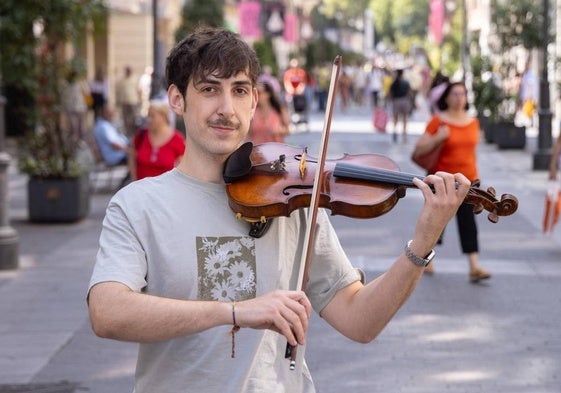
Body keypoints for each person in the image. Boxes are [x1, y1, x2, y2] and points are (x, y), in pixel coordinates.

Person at [87, 27, 471, 393]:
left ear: (254, 101)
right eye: (209, 90)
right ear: (176, 98)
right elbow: (107, 312)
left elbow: (360, 322)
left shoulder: (296, 202)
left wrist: (422, 243)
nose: (227, 108)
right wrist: (235, 311)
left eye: (239, 91)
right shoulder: (138, 204)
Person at [413, 81, 491, 283]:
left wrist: (477, 178)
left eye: (462, 94)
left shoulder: (473, 122)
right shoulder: (438, 122)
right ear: (446, 98)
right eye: (455, 94)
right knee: (437, 221)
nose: (459, 97)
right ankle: (426, 259)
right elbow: (419, 149)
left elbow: (472, 154)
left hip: (468, 181)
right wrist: (438, 138)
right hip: (443, 180)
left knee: (468, 223)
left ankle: (474, 266)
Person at [129, 98, 185, 180]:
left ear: (163, 117)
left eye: (152, 116)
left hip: (166, 189)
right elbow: (132, 160)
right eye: (148, 115)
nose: (149, 119)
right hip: (142, 189)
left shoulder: (177, 138)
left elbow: (182, 167)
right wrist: (134, 181)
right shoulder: (141, 135)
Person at [62, 69, 89, 144]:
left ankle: (81, 140)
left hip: (81, 107)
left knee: (81, 125)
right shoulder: (66, 85)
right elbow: (64, 96)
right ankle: (74, 140)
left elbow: (87, 95)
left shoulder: (82, 84)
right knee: (73, 125)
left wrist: (88, 105)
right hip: (71, 108)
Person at [116, 65, 141, 137]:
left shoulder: (135, 78)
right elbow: (118, 90)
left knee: (133, 118)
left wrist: (139, 100)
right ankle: (127, 132)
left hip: (133, 101)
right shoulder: (121, 79)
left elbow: (139, 90)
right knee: (125, 118)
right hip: (124, 102)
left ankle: (134, 132)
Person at [389, 68, 412, 143]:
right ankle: (404, 134)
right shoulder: (406, 82)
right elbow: (409, 92)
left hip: (396, 101)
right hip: (404, 101)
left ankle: (395, 131)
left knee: (395, 118)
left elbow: (390, 92)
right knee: (405, 118)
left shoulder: (394, 82)